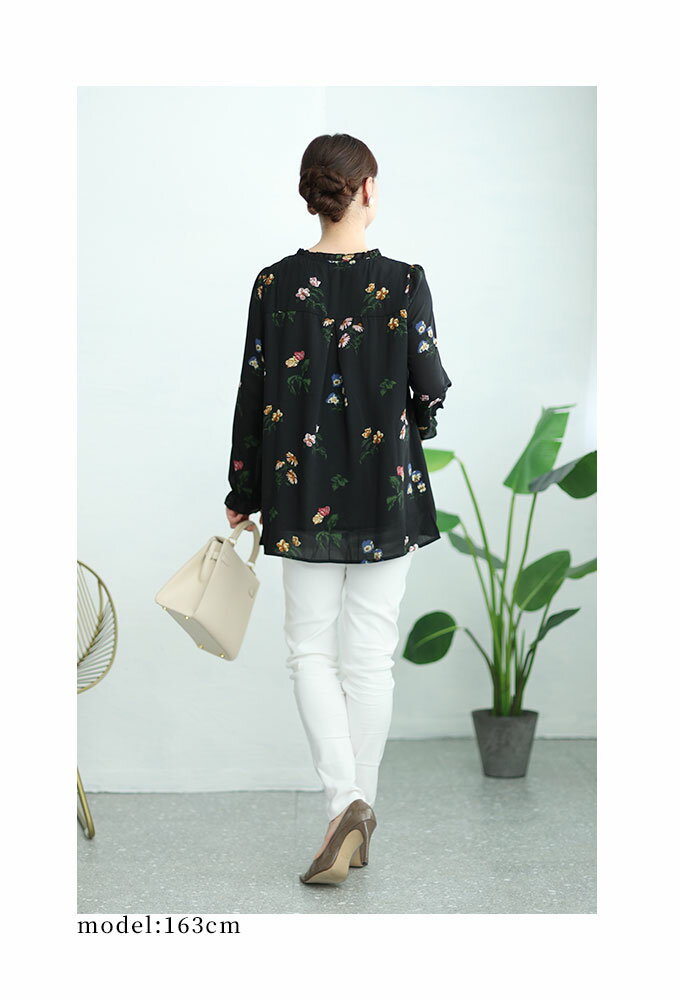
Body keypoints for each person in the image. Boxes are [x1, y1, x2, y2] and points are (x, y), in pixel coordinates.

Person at [224, 133, 452, 884]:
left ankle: (342, 803)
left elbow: (255, 389)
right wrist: (405, 420)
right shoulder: (405, 281)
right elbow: (429, 387)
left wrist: (243, 491)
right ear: (366, 190)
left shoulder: (273, 284)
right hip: (386, 487)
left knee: (310, 653)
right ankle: (358, 811)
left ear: (315, 194)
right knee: (370, 657)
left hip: (301, 489)